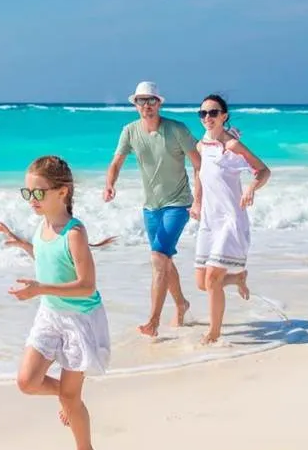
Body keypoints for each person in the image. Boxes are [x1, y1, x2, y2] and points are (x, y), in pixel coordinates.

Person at [0, 156, 115, 450]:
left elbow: (87, 285)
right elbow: (48, 257)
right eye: (27, 193)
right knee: (27, 382)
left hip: (80, 320)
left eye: (38, 193)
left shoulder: (75, 233)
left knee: (70, 397)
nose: (31, 200)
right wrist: (23, 244)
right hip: (50, 314)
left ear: (62, 192)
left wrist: (39, 289)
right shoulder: (42, 226)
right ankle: (67, 395)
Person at [103, 80, 202, 337]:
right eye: (141, 101)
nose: (146, 105)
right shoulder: (129, 131)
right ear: (135, 104)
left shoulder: (177, 129)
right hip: (151, 207)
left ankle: (153, 321)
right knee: (163, 259)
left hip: (178, 203)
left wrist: (199, 200)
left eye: (151, 100)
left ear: (159, 103)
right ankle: (181, 304)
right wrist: (110, 184)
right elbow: (116, 162)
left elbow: (199, 164)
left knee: (158, 258)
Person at [192, 94, 271, 344]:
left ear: (224, 116)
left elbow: (263, 170)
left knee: (212, 279)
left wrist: (250, 189)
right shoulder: (201, 145)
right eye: (203, 113)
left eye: (213, 112)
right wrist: (196, 202)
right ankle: (237, 278)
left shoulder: (232, 146)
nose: (208, 117)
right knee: (202, 283)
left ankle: (214, 333)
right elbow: (199, 172)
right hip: (209, 221)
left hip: (230, 219)